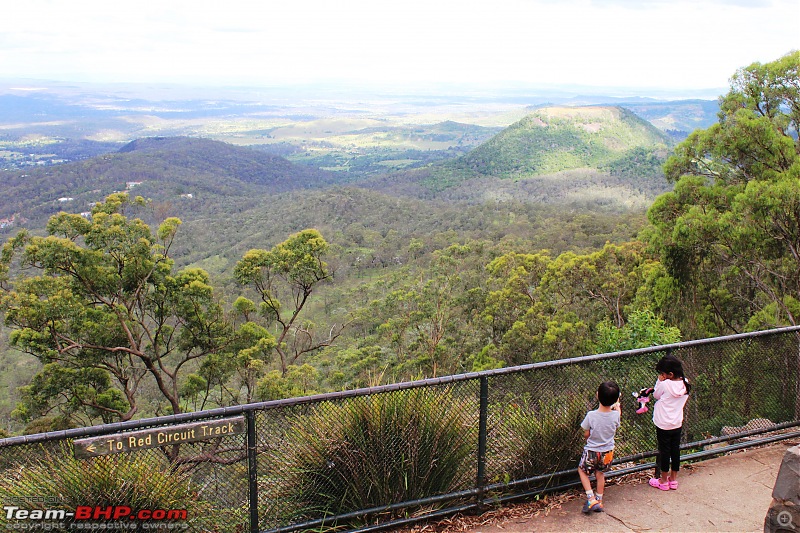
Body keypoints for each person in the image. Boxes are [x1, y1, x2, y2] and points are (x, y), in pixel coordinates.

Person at [648, 353, 691, 491]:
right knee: (675, 451)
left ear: (670, 374)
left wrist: (659, 381)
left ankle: (663, 481)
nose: (662, 375)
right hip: (676, 422)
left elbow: (655, 395)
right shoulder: (686, 383)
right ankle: (673, 480)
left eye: (663, 373)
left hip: (663, 423)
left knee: (665, 452)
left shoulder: (665, 384)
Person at [578, 380, 621, 513]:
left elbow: (586, 433)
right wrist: (618, 406)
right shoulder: (616, 415)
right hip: (608, 451)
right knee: (600, 474)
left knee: (582, 471)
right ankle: (599, 500)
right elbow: (616, 423)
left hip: (592, 450)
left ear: (597, 395)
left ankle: (591, 498)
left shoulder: (591, 416)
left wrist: (589, 435)